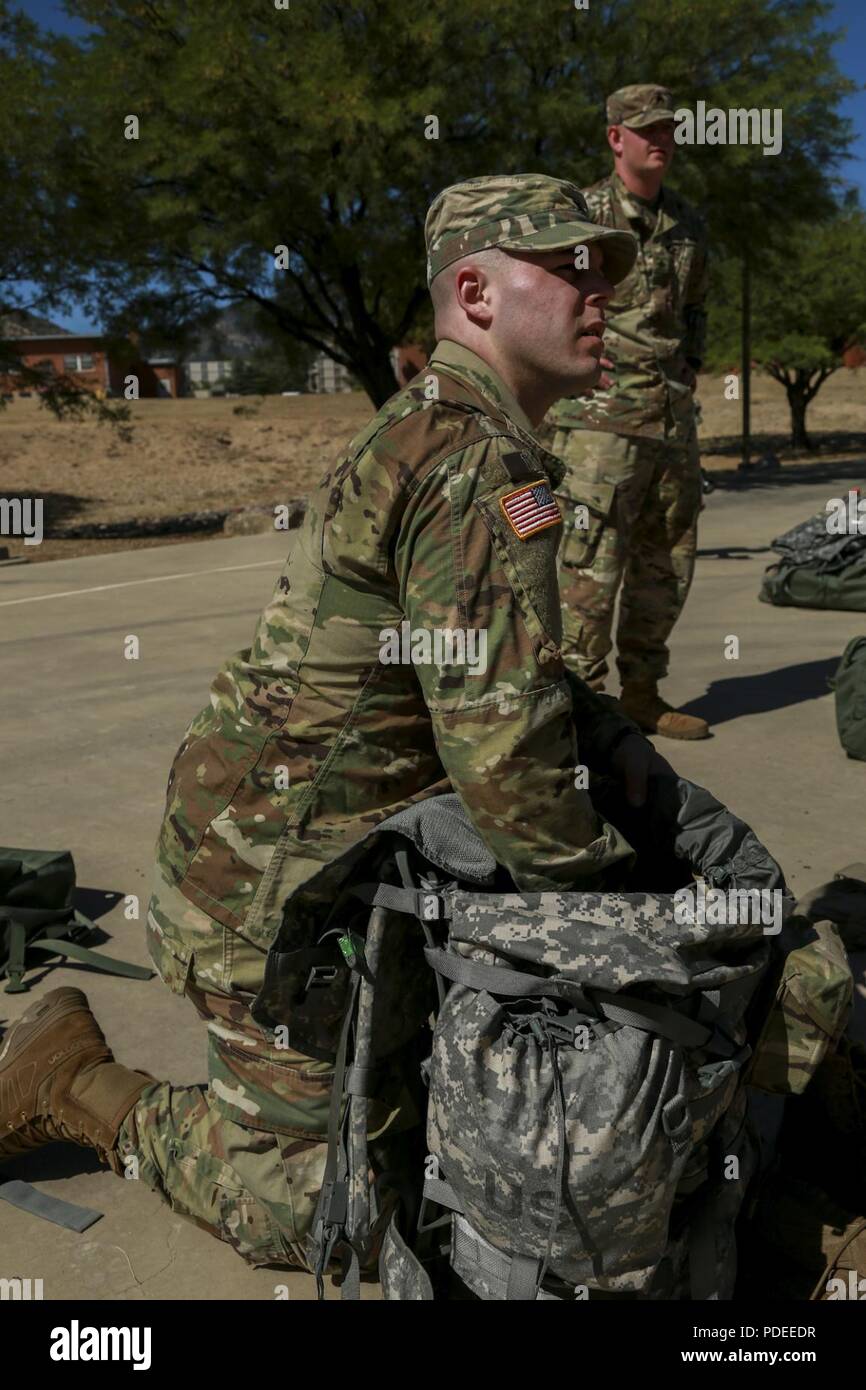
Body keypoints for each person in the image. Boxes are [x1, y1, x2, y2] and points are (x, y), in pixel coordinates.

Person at [0, 174, 672, 1274]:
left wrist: (606, 732)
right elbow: (506, 772)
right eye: (569, 267)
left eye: (605, 270)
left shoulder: (466, 438)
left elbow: (509, 667)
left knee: (439, 1123)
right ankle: (72, 1078)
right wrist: (628, 920)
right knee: (315, 1214)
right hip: (268, 896)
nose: (601, 294)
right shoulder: (469, 459)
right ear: (475, 291)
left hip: (327, 859)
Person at [544, 85, 711, 739]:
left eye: (669, 129)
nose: (661, 140)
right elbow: (547, 306)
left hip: (670, 424)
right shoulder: (582, 216)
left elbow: (694, 306)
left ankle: (642, 693)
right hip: (596, 430)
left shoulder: (689, 225)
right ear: (616, 138)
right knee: (587, 570)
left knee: (666, 564)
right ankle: (581, 711)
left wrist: (690, 365)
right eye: (648, 131)